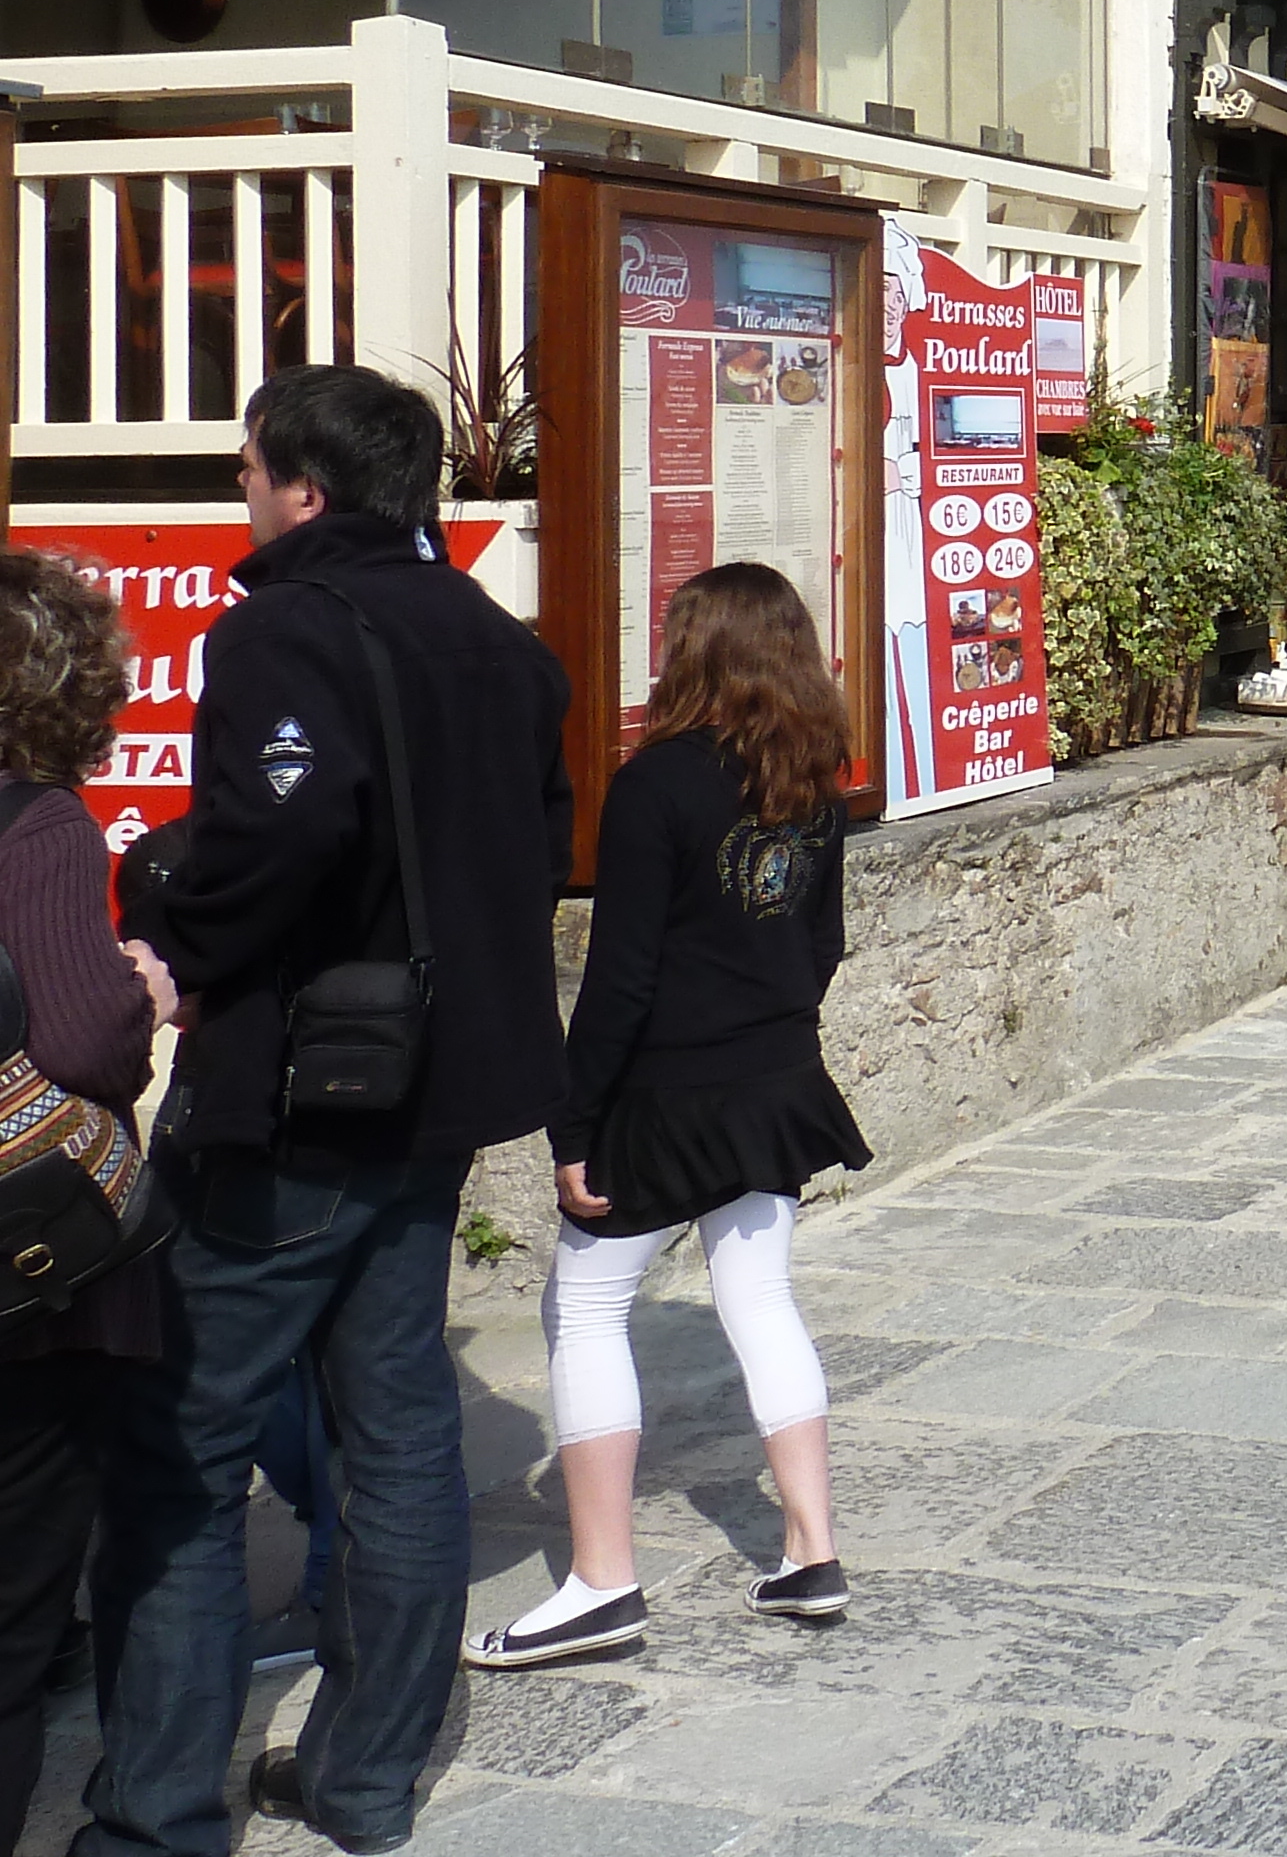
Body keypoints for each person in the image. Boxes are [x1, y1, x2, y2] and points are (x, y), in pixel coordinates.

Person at [83, 363, 575, 1857]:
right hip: (441, 1089)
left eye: (244, 473)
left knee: (180, 1440)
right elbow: (534, 849)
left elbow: (290, 827)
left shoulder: (286, 624)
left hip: (303, 1097)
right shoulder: (499, 640)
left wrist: (172, 904)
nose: (241, 496)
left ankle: (158, 1816)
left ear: (301, 485)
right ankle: (365, 1780)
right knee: (400, 1426)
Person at [468, 563, 871, 1672]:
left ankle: (602, 1582)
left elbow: (620, 979)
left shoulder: (657, 786)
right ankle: (811, 1549)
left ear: (695, 652)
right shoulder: (812, 777)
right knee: (760, 1296)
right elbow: (822, 941)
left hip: (666, 1092)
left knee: (585, 1306)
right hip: (777, 1079)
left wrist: (574, 1124)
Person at [0, 556, 174, 1846]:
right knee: (12, 1629)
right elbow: (86, 1047)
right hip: (23, 1286)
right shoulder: (40, 825)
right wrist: (147, 995)